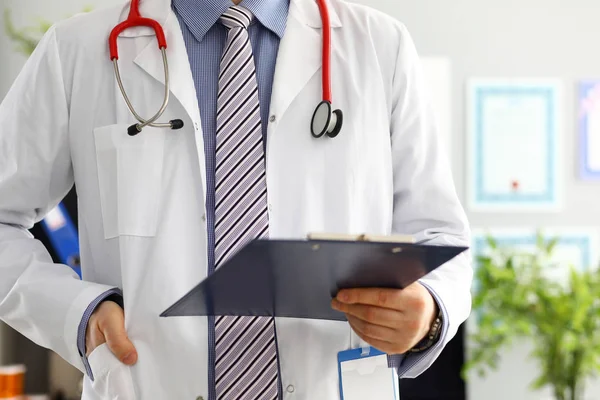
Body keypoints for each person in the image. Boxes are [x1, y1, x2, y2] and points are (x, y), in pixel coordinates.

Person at [0, 0, 472, 398]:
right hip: (147, 380)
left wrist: (428, 310)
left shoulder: (379, 47)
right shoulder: (77, 50)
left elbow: (442, 234)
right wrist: (77, 313)